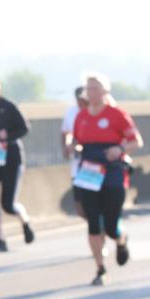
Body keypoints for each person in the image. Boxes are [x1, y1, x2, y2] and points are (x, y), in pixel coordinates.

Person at [69, 73, 143, 286]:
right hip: (88, 173)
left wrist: (119, 148)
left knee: (111, 225)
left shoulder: (117, 115)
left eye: (95, 88)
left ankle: (120, 240)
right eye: (88, 88)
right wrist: (74, 146)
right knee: (93, 222)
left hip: (112, 172)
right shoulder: (81, 116)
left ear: (105, 91)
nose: (91, 92)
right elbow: (77, 140)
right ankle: (100, 268)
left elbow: (136, 141)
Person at [0, 74, 35, 252]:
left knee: (8, 204)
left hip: (10, 158)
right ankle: (0, 239)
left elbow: (24, 128)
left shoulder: (9, 107)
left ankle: (24, 220)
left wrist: (8, 136)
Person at [61, 85, 89, 218]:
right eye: (78, 99)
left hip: (94, 161)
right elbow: (66, 132)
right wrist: (66, 147)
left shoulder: (96, 111)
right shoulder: (72, 112)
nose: (80, 102)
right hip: (77, 160)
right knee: (79, 201)